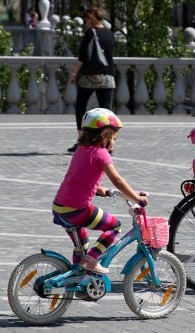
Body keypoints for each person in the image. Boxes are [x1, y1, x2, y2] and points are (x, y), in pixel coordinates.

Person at [52, 108, 147, 274]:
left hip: (60, 207)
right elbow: (117, 179)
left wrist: (104, 190)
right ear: (106, 135)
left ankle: (78, 277)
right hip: (77, 210)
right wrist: (137, 197)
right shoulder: (101, 154)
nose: (115, 143)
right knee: (114, 226)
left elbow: (80, 179)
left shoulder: (81, 150)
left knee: (81, 246)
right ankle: (92, 259)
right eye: (115, 138)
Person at [67, 7, 117, 152]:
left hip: (88, 77)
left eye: (86, 18)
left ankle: (81, 140)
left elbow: (82, 57)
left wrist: (73, 74)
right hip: (107, 76)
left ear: (91, 18)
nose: (85, 21)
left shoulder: (90, 33)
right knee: (106, 112)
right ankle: (108, 143)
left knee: (81, 108)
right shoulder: (109, 34)